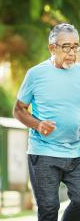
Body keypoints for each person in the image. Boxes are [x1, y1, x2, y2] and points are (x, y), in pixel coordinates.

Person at [13, 23, 80, 221]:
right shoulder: (36, 74)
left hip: (76, 152)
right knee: (49, 209)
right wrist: (37, 124)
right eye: (66, 46)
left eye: (76, 46)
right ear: (52, 48)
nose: (72, 52)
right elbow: (18, 110)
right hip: (44, 153)